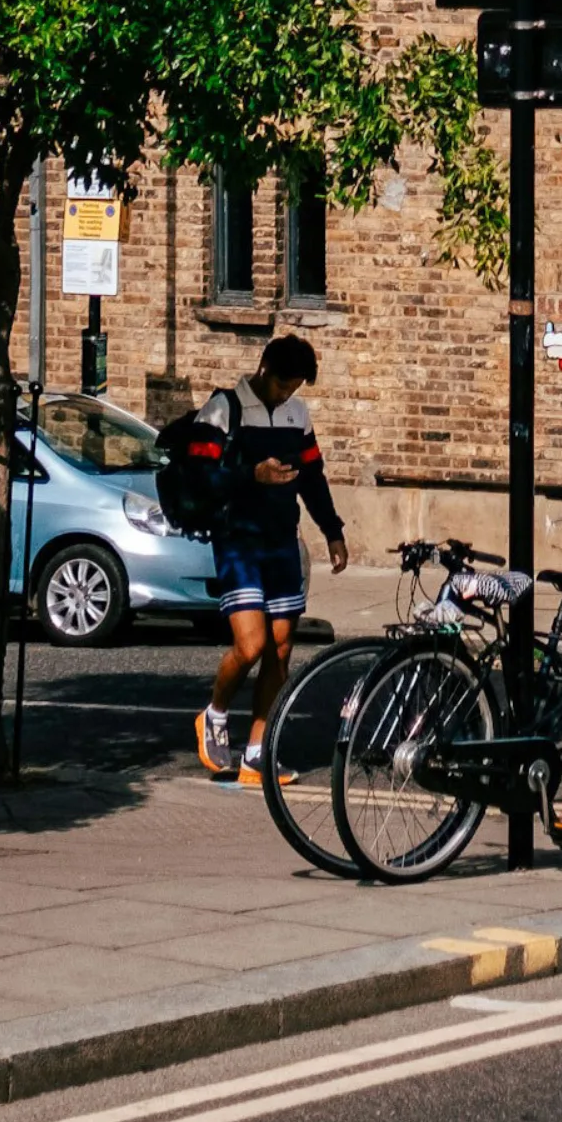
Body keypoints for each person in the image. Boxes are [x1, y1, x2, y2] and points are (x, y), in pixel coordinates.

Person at [192, 335, 351, 787]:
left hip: (283, 539)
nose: (287, 394)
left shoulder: (298, 416)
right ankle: (214, 714)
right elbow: (203, 478)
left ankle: (257, 754)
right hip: (238, 540)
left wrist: (333, 531)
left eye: (295, 387)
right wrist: (251, 475)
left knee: (281, 648)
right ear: (263, 368)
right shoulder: (224, 409)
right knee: (251, 645)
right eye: (283, 384)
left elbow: (312, 476)